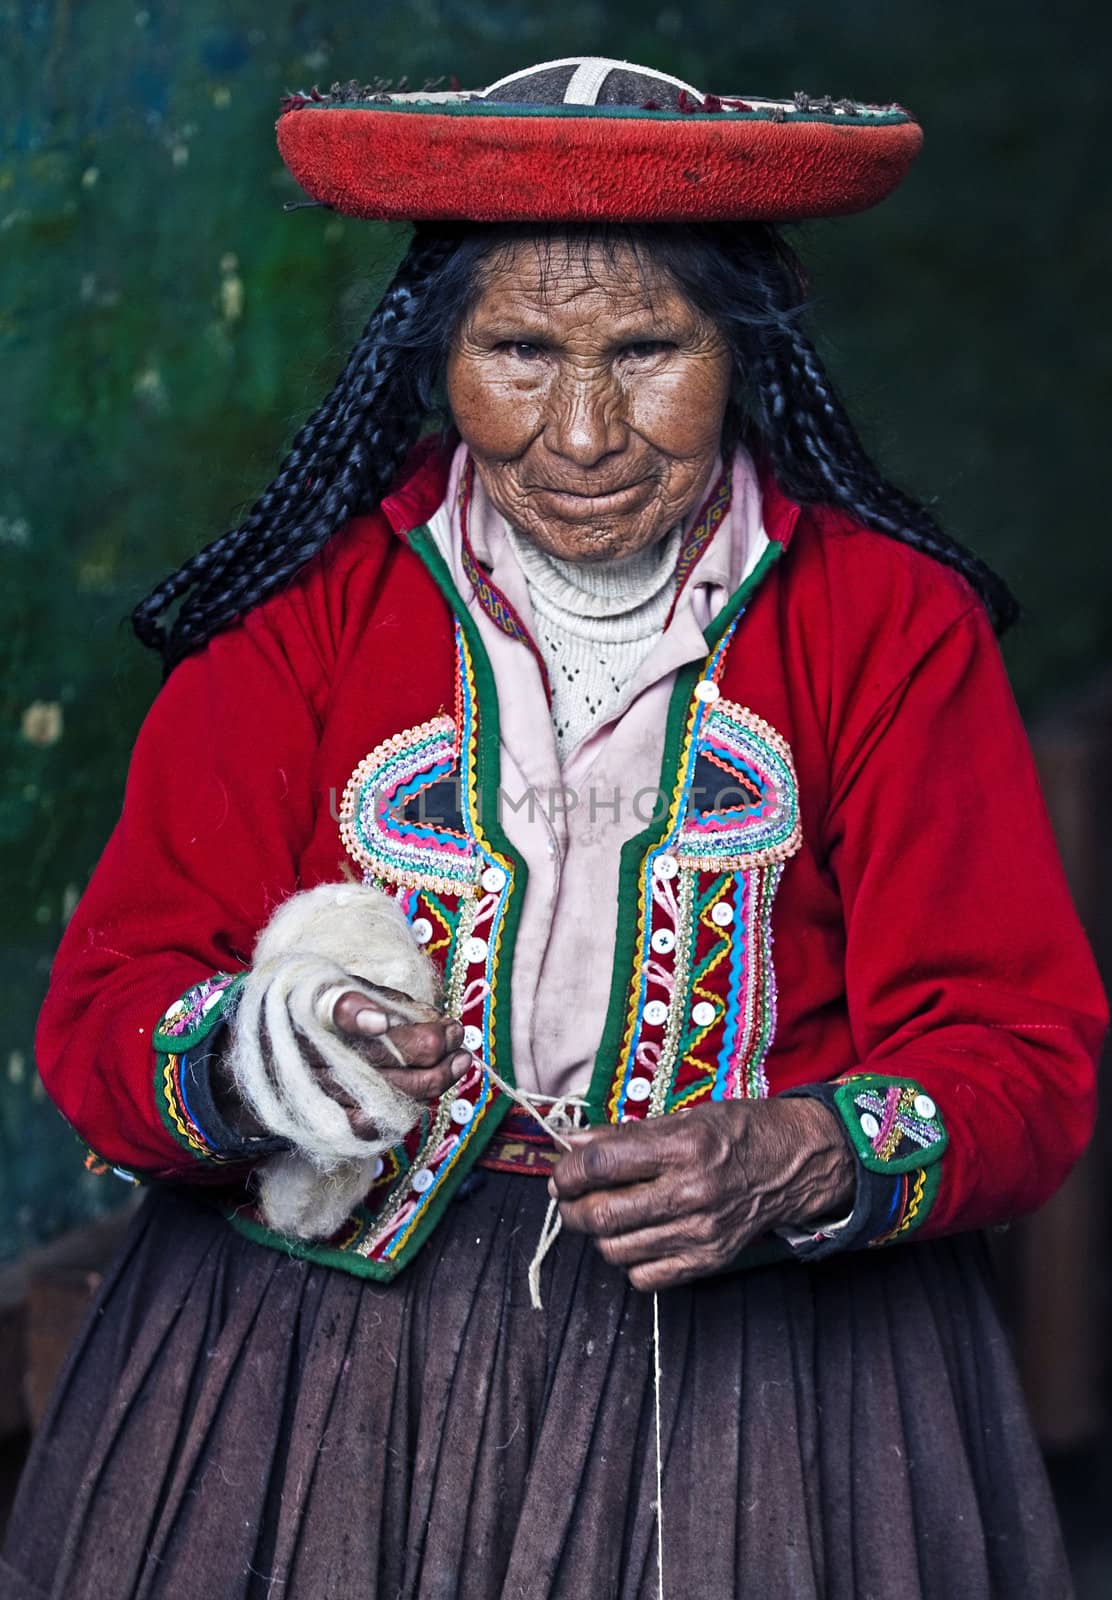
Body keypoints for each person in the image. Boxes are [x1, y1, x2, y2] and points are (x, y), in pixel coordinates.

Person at [3, 57, 1106, 1600]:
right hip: (319, 1375)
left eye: (648, 349)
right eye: (519, 350)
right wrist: (272, 1049)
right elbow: (110, 1015)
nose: (582, 431)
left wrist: (793, 1150)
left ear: (747, 354)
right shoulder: (302, 617)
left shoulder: (887, 627)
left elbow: (1019, 1054)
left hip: (772, 1393)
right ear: (434, 357)